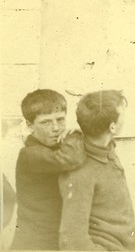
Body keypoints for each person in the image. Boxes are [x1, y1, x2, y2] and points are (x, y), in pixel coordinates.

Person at [59, 90, 135, 251]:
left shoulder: (104, 146)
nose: (125, 118)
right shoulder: (80, 172)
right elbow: (72, 237)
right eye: (122, 115)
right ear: (112, 127)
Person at [10, 89, 85, 250]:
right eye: (46, 122)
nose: (56, 128)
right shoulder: (30, 154)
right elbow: (72, 159)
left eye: (60, 120)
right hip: (34, 244)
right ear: (30, 126)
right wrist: (74, 136)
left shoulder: (57, 148)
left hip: (55, 241)